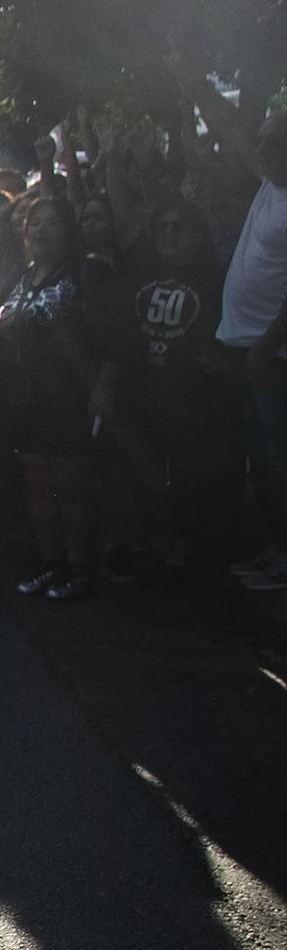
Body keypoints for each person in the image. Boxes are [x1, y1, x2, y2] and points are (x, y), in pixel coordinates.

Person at [0, 194, 115, 600]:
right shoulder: (18, 277)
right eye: (34, 223)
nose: (40, 230)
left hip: (69, 398)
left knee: (70, 486)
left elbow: (114, 338)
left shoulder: (87, 275)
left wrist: (105, 386)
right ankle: (49, 563)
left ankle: (79, 568)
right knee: (37, 483)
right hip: (22, 401)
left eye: (52, 223)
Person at [91, 201, 236, 576]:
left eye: (179, 228)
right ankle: (151, 545)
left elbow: (232, 332)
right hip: (142, 390)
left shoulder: (216, 281)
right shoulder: (138, 276)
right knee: (142, 469)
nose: (169, 235)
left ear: (197, 236)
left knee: (191, 473)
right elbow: (120, 337)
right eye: (163, 228)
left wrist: (219, 356)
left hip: (193, 394)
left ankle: (184, 549)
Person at [208, 98, 287, 590]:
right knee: (263, 460)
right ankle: (273, 549)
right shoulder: (269, 188)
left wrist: (267, 344)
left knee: (281, 458)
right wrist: (185, 79)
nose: (259, 145)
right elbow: (231, 131)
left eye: (271, 138)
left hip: (274, 354)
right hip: (248, 347)